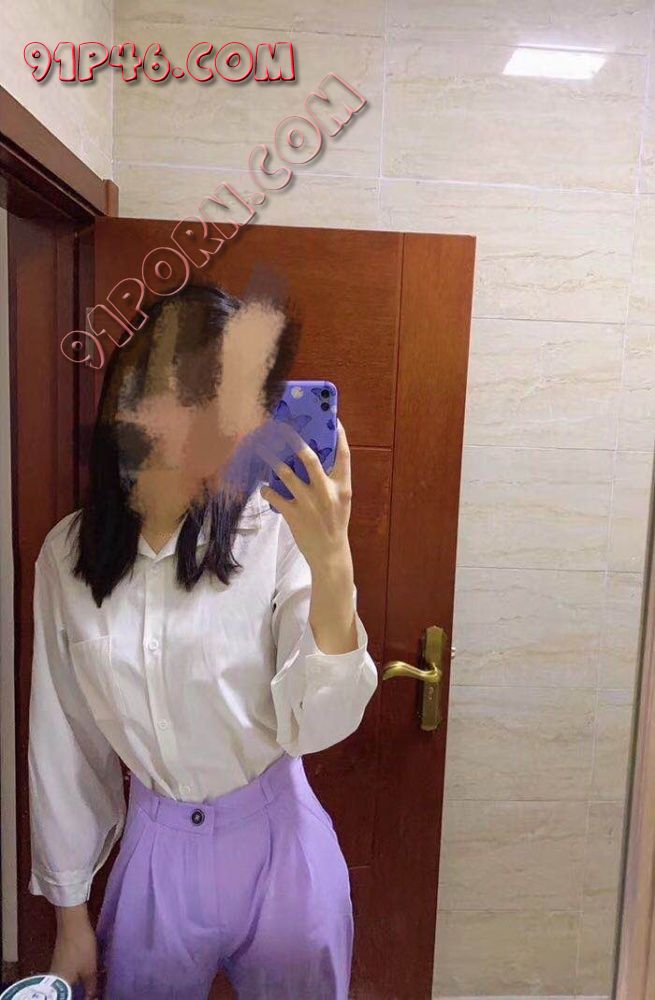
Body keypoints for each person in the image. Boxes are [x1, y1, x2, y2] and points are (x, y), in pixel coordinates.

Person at [28, 284, 378, 999]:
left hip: (280, 842)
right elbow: (64, 742)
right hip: (156, 851)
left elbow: (320, 725)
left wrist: (332, 561)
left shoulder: (273, 529)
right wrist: (70, 917)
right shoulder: (68, 556)